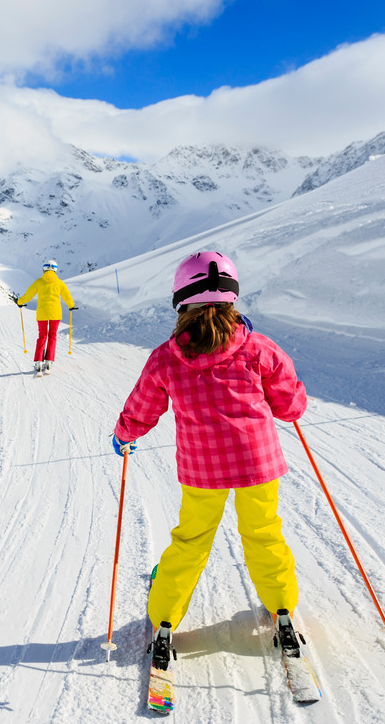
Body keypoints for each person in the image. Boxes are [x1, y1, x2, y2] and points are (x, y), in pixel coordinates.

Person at [109, 251, 309, 670]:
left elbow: (144, 405)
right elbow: (289, 402)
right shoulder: (256, 347)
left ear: (181, 300)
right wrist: (288, 407)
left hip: (203, 470)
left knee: (191, 542)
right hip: (258, 464)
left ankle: (165, 619)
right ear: (231, 297)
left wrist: (126, 433)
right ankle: (283, 611)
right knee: (264, 535)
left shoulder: (166, 356)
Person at [15, 260, 76, 374]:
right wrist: (71, 306)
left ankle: (38, 361)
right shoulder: (59, 283)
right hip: (55, 313)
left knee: (42, 336)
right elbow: (67, 296)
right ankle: (49, 361)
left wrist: (20, 302)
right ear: (55, 270)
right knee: (52, 336)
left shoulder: (39, 282)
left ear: (44, 269)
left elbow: (29, 294)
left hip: (42, 313)